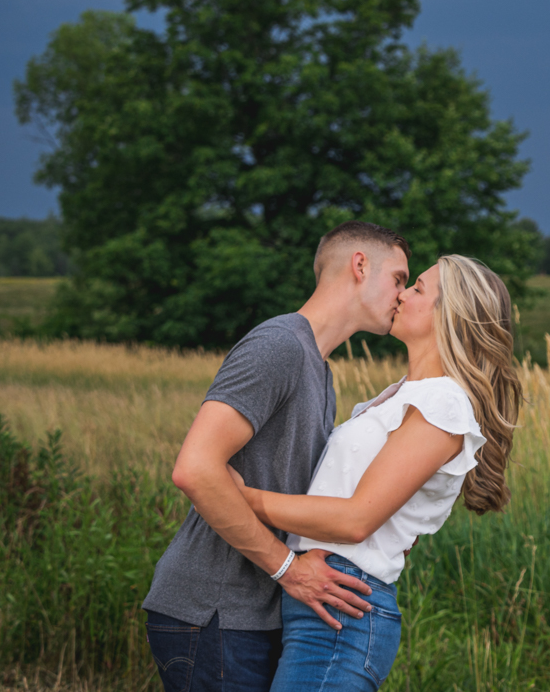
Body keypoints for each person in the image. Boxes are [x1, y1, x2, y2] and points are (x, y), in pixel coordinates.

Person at [231, 254, 521, 692]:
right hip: (323, 601)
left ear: (451, 318)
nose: (402, 294)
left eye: (418, 289)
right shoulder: (404, 395)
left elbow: (355, 519)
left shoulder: (442, 404)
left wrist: (242, 498)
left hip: (342, 613)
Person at [143, 221, 411, 692]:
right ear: (360, 265)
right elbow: (195, 469)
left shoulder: (319, 372)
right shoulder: (279, 345)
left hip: (253, 615)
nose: (402, 295)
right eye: (399, 279)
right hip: (214, 612)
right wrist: (289, 568)